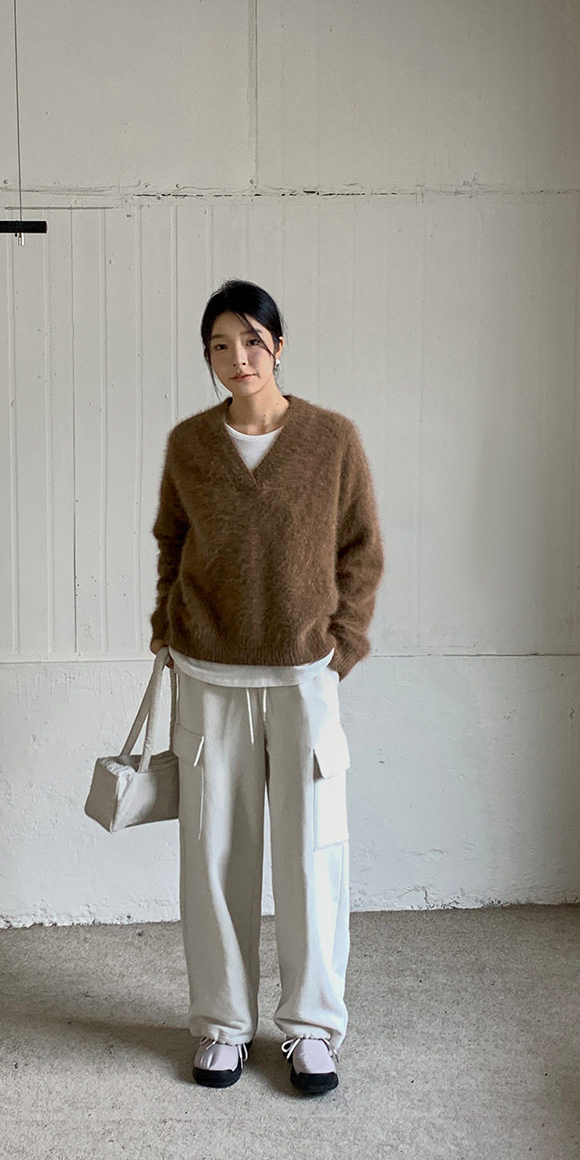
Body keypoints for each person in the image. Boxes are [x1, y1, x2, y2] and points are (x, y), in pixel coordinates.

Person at [149, 279, 384, 1095]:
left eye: (251, 340)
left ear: (278, 345)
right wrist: (167, 631)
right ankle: (222, 1025)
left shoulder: (331, 439)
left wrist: (340, 646)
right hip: (208, 676)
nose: (237, 358)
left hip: (303, 679)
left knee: (313, 854)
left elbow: (360, 549)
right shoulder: (189, 444)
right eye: (220, 345)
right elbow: (171, 544)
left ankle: (311, 1028)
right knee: (214, 854)